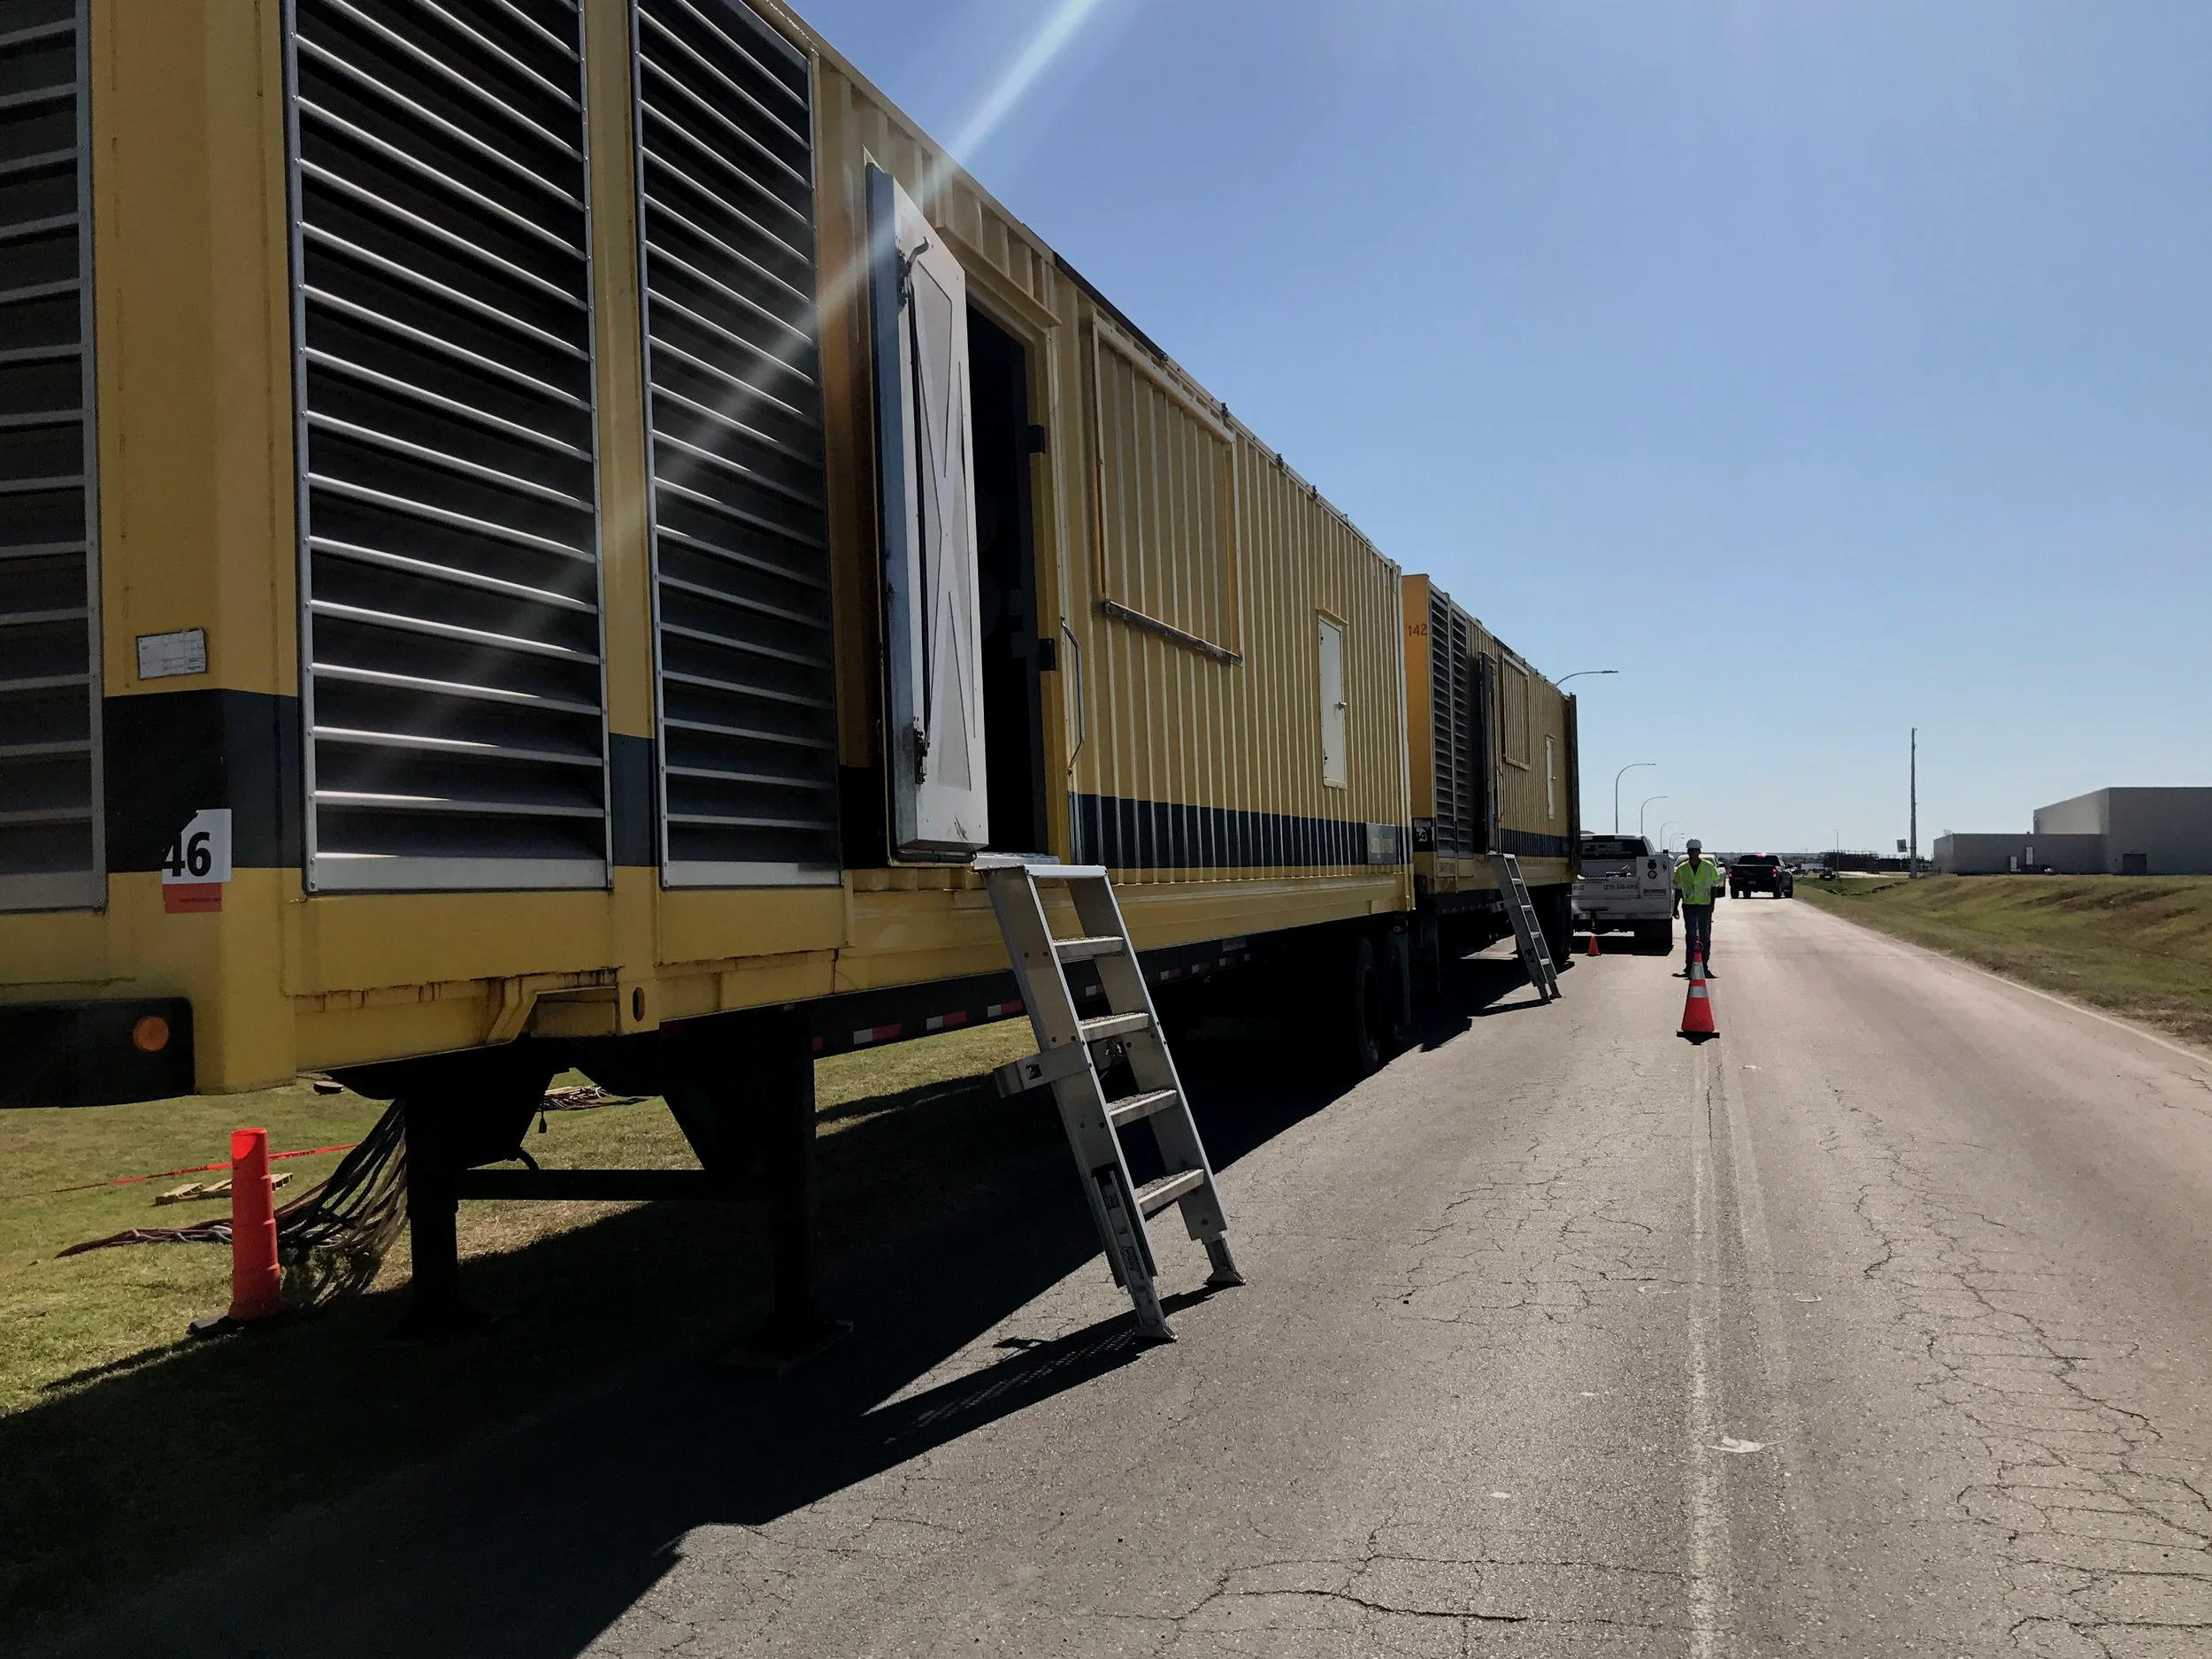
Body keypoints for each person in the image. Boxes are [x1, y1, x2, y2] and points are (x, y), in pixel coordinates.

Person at [1672, 838, 1724, 977]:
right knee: (1691, 936)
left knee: (1705, 935)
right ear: (1688, 852)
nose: (1693, 853)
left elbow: (1714, 887)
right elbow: (1678, 888)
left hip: (1704, 906)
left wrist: (1712, 904)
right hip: (1689, 906)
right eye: (1691, 851)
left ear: (1699, 851)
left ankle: (1704, 965)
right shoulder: (1682, 868)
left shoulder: (1708, 867)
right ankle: (1690, 965)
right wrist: (1675, 907)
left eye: (1695, 850)